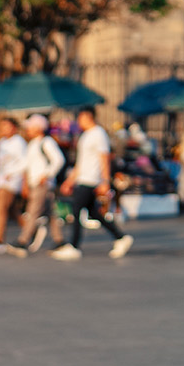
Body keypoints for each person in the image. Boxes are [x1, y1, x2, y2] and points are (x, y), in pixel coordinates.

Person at [47, 107, 132, 260]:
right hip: (83, 177)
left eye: (80, 118)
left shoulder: (98, 134)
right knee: (93, 212)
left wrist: (105, 181)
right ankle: (120, 236)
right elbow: (81, 163)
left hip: (91, 179)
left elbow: (104, 158)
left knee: (76, 209)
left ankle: (74, 246)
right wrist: (69, 181)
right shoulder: (85, 135)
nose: (78, 121)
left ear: (87, 116)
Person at [7, 114, 65, 257]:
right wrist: (11, 172)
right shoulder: (33, 144)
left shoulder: (46, 142)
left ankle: (23, 240)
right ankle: (59, 240)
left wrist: (47, 174)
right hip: (35, 183)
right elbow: (25, 164)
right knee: (50, 213)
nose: (27, 130)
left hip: (42, 184)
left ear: (39, 128)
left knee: (32, 211)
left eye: (30, 127)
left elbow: (58, 160)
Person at [0, 117, 26, 254]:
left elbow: (25, 163)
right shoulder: (1, 142)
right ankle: (30, 228)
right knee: (12, 210)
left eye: (6, 126)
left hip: (12, 180)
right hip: (1, 180)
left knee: (0, 207)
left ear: (14, 128)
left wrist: (22, 180)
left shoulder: (19, 142)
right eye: (1, 126)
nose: (3, 129)